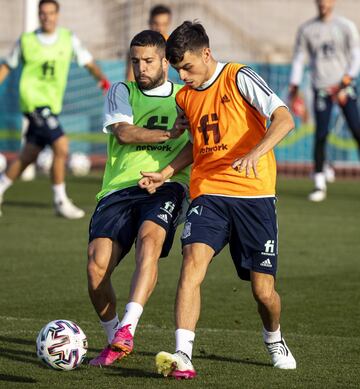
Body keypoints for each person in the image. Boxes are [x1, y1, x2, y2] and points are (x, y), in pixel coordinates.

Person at [139, 21, 297, 379]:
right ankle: (183, 354)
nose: (183, 76)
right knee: (191, 262)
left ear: (206, 54)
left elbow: (284, 120)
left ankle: (274, 338)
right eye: (177, 69)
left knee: (263, 291)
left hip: (254, 195)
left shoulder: (238, 76)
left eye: (188, 68)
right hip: (208, 191)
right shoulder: (185, 96)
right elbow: (198, 145)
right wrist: (165, 173)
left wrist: (255, 153)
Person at [87, 29, 190, 367]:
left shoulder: (185, 97)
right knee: (96, 270)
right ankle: (114, 336)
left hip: (165, 186)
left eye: (148, 61)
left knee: (150, 241)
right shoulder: (122, 90)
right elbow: (124, 132)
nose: (141, 68)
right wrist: (168, 133)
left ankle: (129, 326)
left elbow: (197, 146)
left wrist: (167, 173)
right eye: (135, 61)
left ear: (164, 61)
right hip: (118, 189)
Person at [0, 0, 111, 218]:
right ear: (39, 15)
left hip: (51, 105)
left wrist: (102, 80)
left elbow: (88, 62)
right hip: (33, 103)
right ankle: (60, 200)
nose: (47, 17)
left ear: (57, 15)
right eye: (43, 13)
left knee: (28, 155)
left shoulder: (68, 39)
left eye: (51, 13)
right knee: (61, 145)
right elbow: (7, 65)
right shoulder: (27, 41)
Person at [289, 0, 360, 202]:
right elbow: (298, 59)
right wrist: (294, 87)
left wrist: (346, 81)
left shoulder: (345, 26)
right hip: (321, 88)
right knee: (321, 133)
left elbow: (356, 56)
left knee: (357, 129)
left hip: (344, 88)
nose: (323, 4)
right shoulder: (307, 29)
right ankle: (319, 182)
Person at [126, 4, 172, 81]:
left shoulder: (174, 47)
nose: (160, 28)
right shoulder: (138, 48)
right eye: (156, 24)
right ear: (149, 22)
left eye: (164, 24)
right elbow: (130, 79)